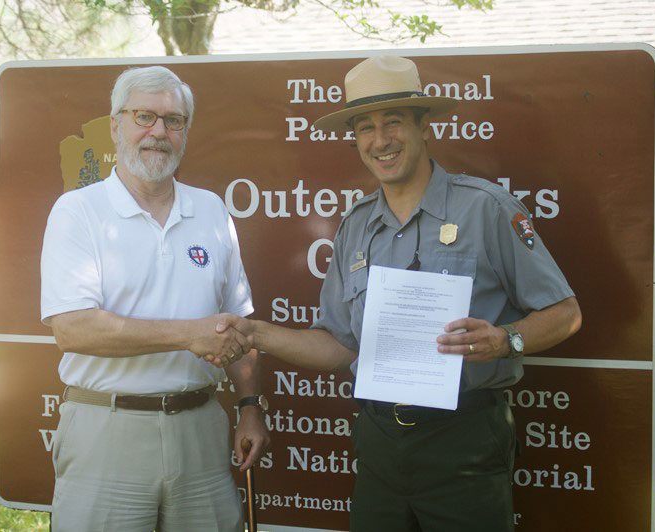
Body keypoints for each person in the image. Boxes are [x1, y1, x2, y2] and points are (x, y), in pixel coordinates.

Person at [219, 55, 581, 531]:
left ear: (423, 125)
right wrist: (255, 333)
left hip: (466, 439)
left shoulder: (486, 210)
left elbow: (566, 312)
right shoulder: (356, 227)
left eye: (393, 122)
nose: (380, 140)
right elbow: (339, 345)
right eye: (365, 127)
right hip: (379, 442)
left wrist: (505, 340)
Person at [40, 65, 269, 532]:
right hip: (106, 430)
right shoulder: (78, 212)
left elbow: (239, 327)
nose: (158, 132)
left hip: (200, 433)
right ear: (115, 125)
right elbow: (73, 328)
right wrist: (190, 335)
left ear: (185, 131)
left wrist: (249, 407)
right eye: (144, 116)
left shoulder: (211, 211)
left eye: (173, 120)